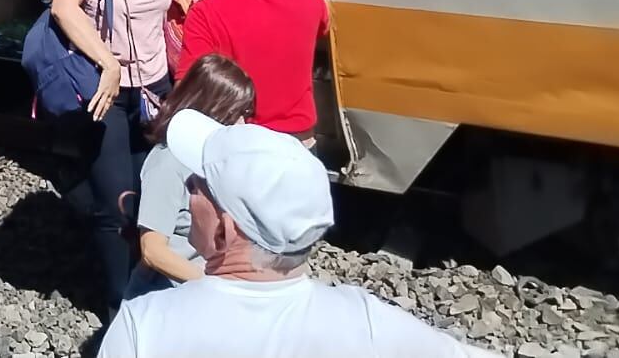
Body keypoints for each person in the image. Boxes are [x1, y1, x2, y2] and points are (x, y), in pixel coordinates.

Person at [100, 110, 502, 357]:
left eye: (199, 184)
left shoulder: (144, 327)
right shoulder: (365, 322)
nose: (188, 184)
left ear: (225, 231)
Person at [48, 0, 227, 316]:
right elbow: (63, 7)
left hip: (155, 90)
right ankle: (119, 306)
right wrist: (108, 62)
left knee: (149, 199)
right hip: (107, 93)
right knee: (116, 205)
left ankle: (145, 284)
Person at [176, 0, 328, 141]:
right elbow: (320, 17)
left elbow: (187, 88)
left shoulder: (204, 14)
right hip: (300, 142)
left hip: (242, 142)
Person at [123, 54, 256, 301]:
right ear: (212, 109)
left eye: (247, 113)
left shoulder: (216, 158)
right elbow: (153, 251)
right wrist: (214, 287)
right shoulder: (168, 162)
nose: (242, 123)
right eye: (236, 113)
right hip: (167, 297)